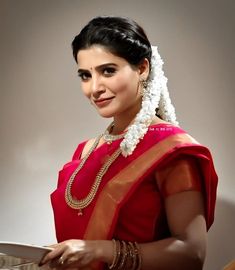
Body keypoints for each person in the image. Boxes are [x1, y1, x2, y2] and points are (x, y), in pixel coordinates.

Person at [40, 16, 218, 270]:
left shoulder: (173, 151)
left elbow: (192, 253)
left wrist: (99, 250)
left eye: (108, 71)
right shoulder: (86, 150)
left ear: (143, 68)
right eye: (85, 75)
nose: (95, 88)